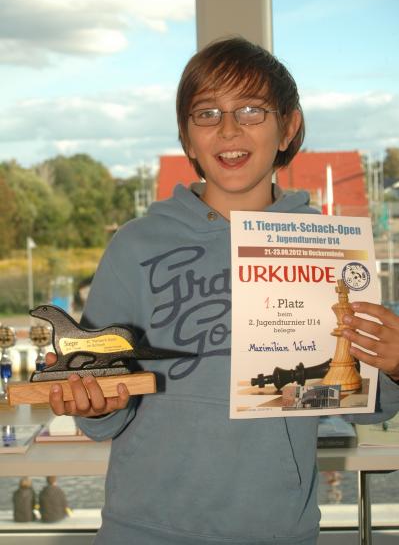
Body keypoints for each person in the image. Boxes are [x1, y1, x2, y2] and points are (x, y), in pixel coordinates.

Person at [47, 37, 399, 545]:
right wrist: (95, 402)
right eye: (207, 113)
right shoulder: (134, 246)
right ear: (188, 138)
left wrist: (393, 363)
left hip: (276, 530)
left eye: (252, 110)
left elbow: (364, 400)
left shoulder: (331, 249)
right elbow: (105, 409)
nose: (229, 129)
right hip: (140, 529)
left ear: (289, 127)